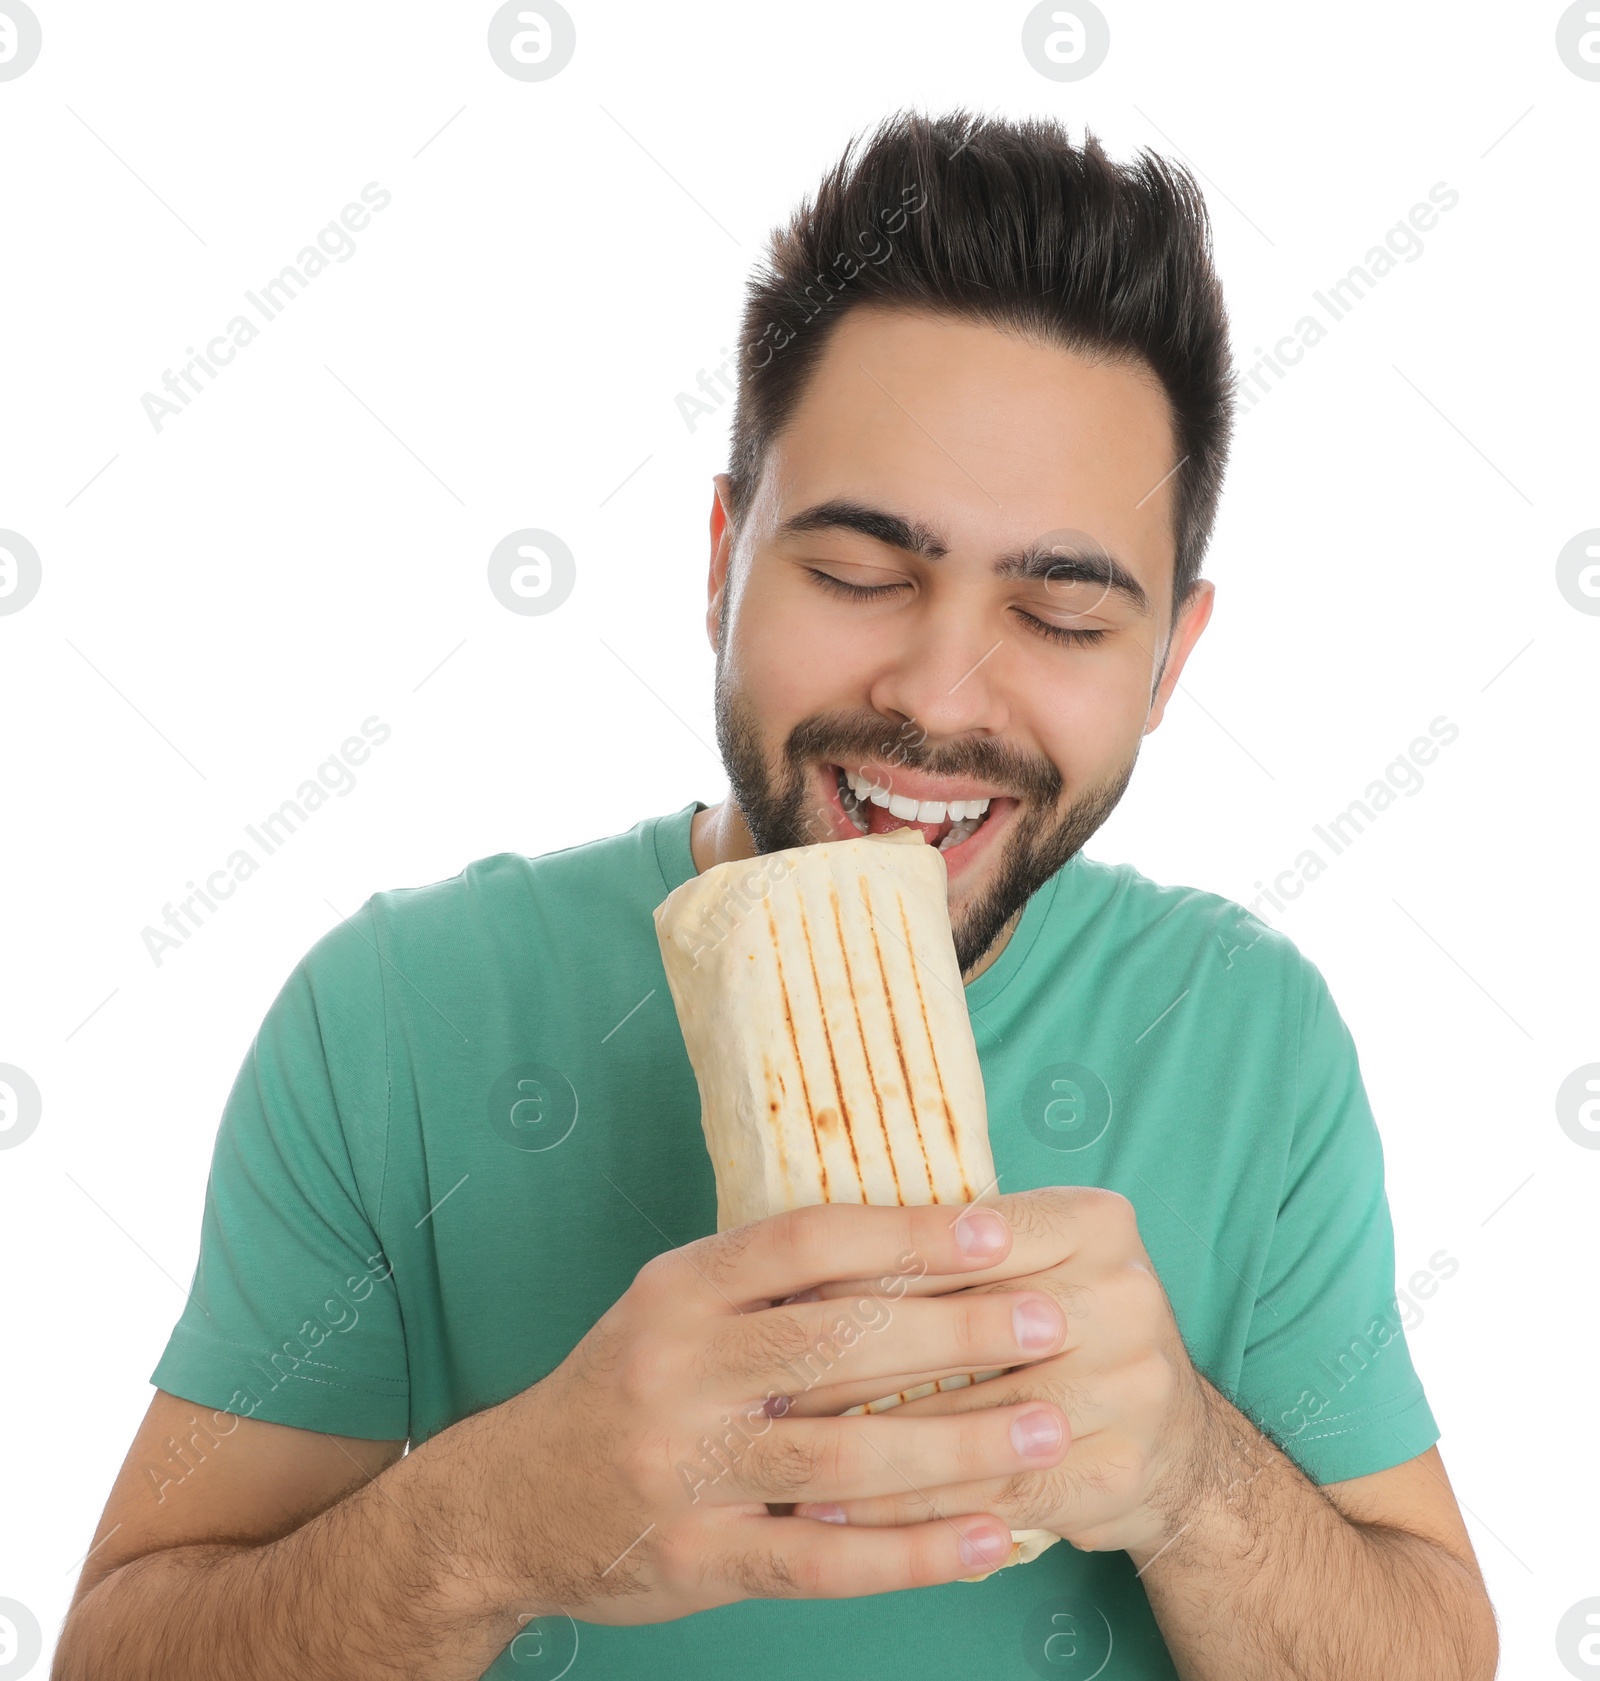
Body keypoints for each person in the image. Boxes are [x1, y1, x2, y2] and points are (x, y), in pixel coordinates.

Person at [55, 108, 1497, 1680]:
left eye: (1064, 613)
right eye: (859, 573)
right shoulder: (396, 1015)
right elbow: (120, 1649)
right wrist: (493, 1522)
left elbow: (1436, 1644)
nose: (943, 695)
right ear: (724, 555)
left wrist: (1191, 1480)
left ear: (1171, 662)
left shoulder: (1246, 1035)